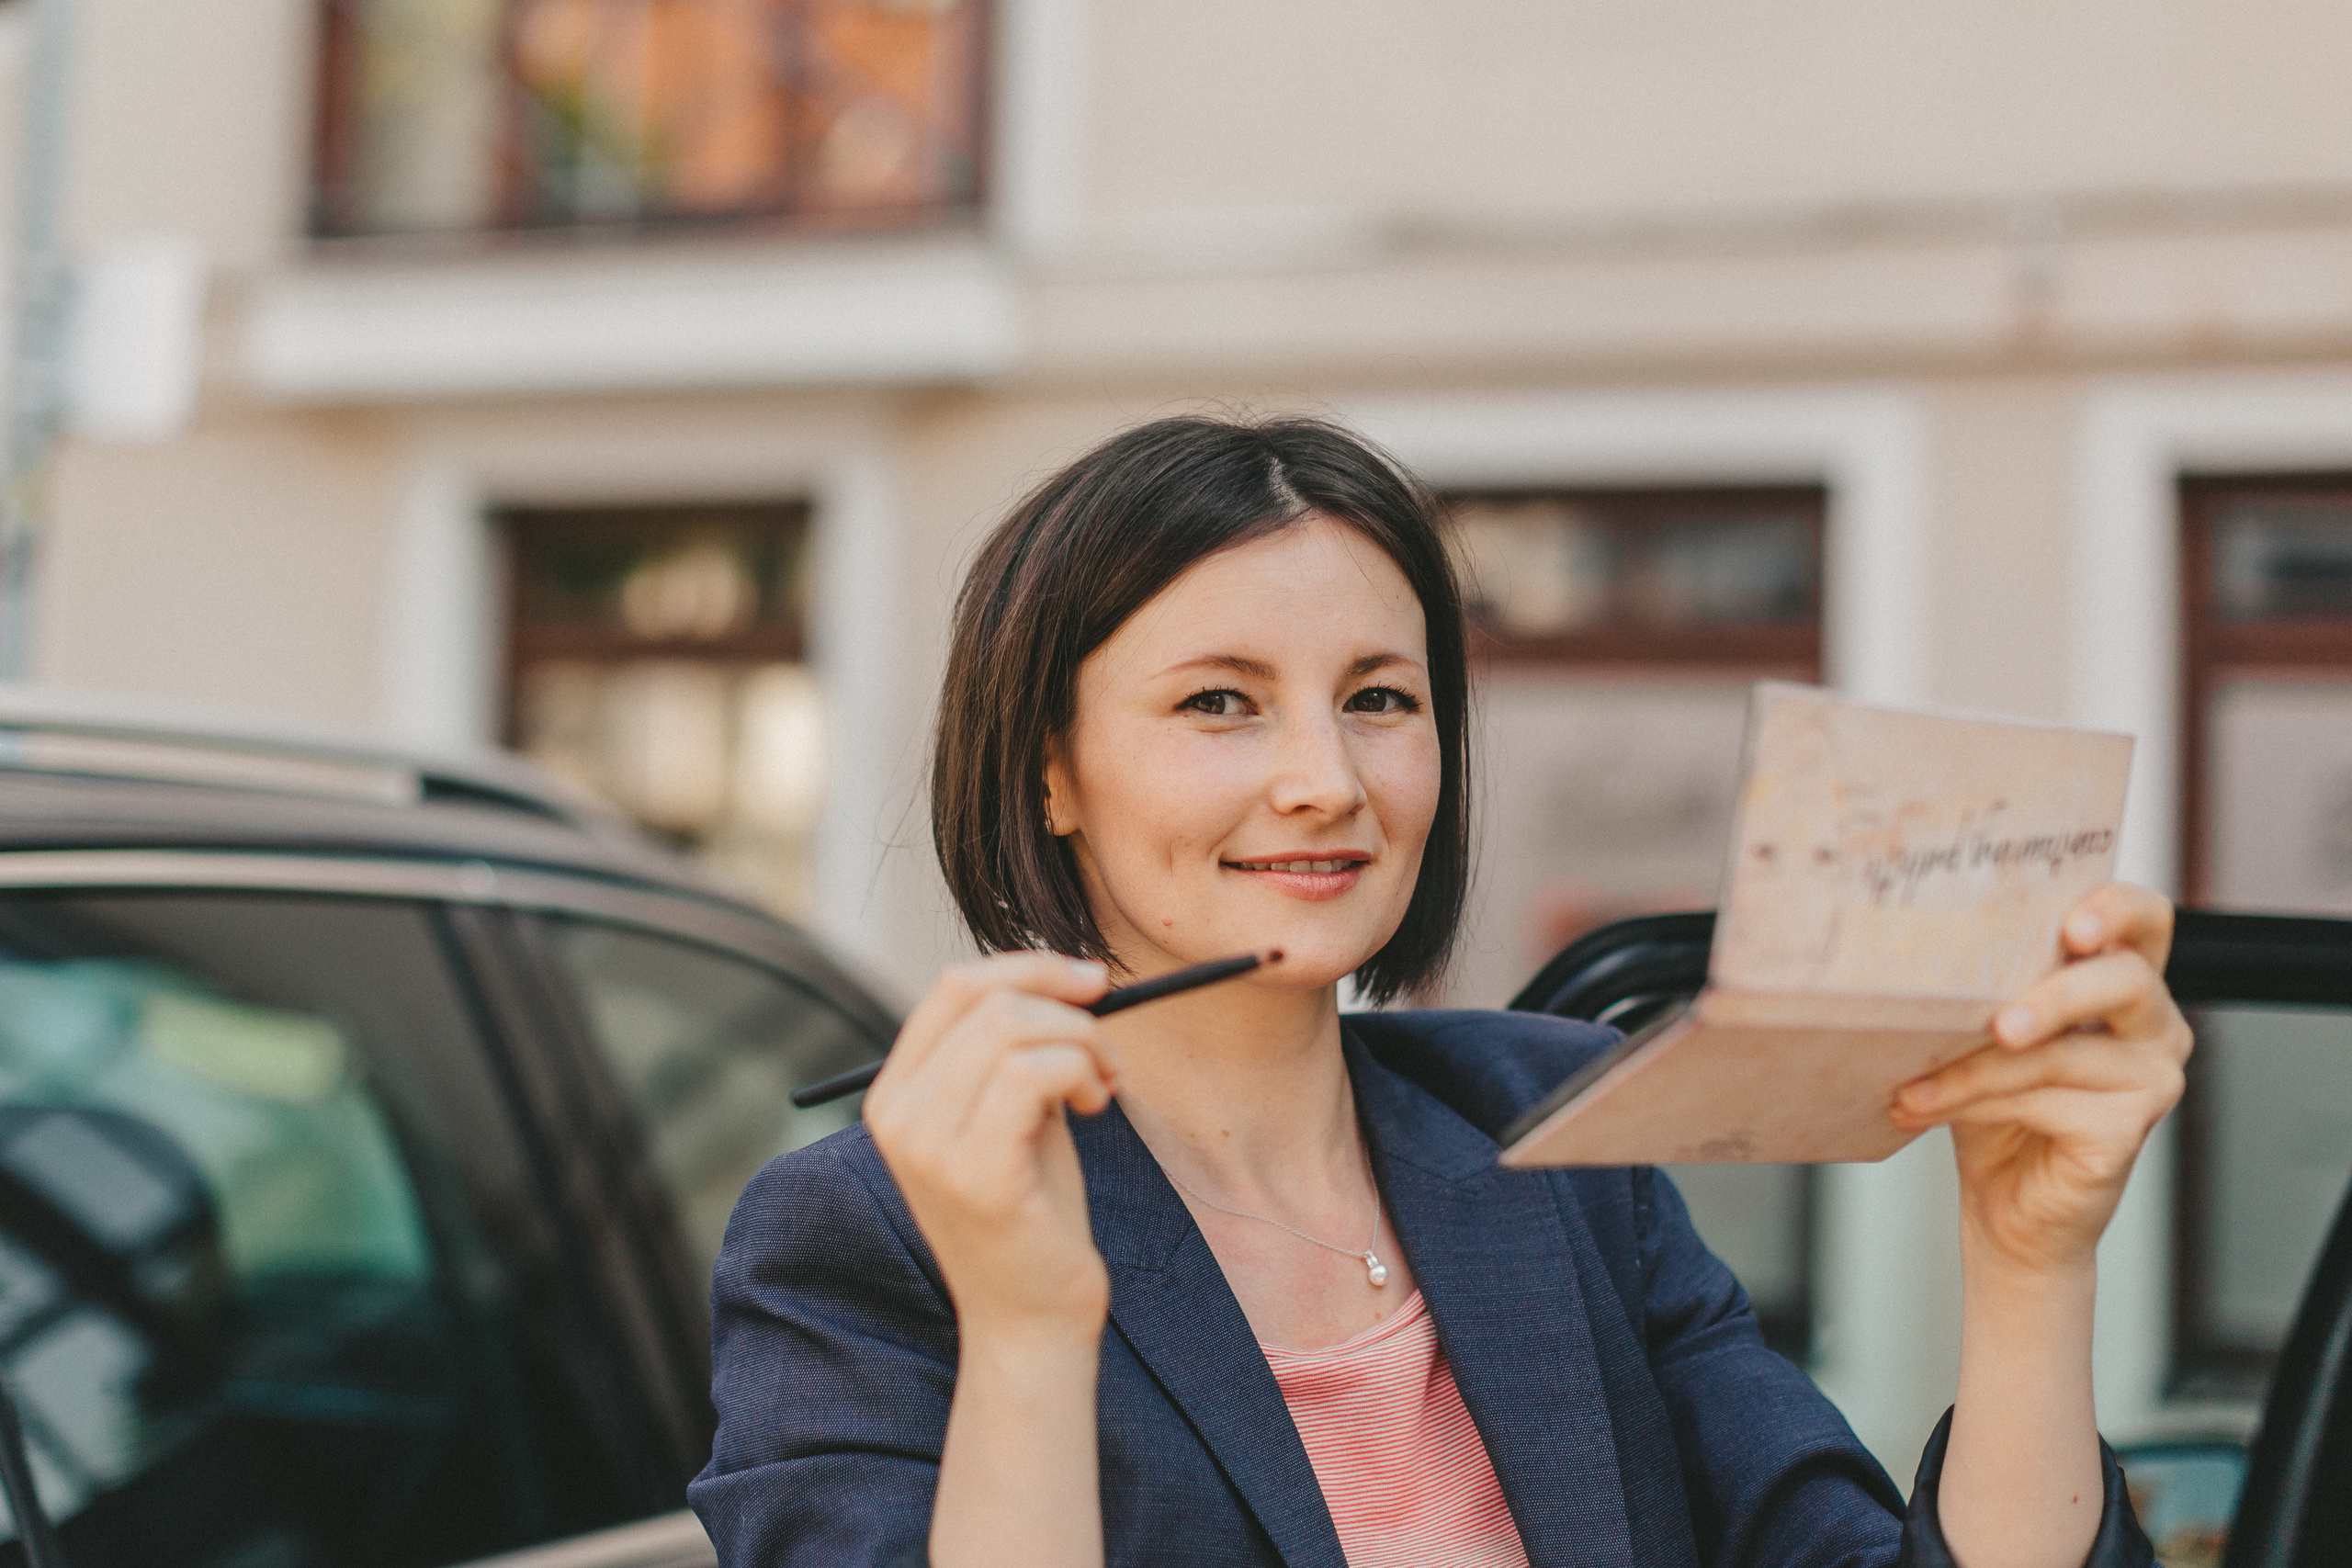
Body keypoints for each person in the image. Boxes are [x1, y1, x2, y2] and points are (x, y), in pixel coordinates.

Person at [690, 415, 2186, 1568]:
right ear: (1050, 769)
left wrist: (2028, 1264)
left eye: (1380, 701)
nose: (1324, 781)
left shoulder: (1555, 1137)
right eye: (1221, 701)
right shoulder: (862, 1243)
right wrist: (1026, 1329)